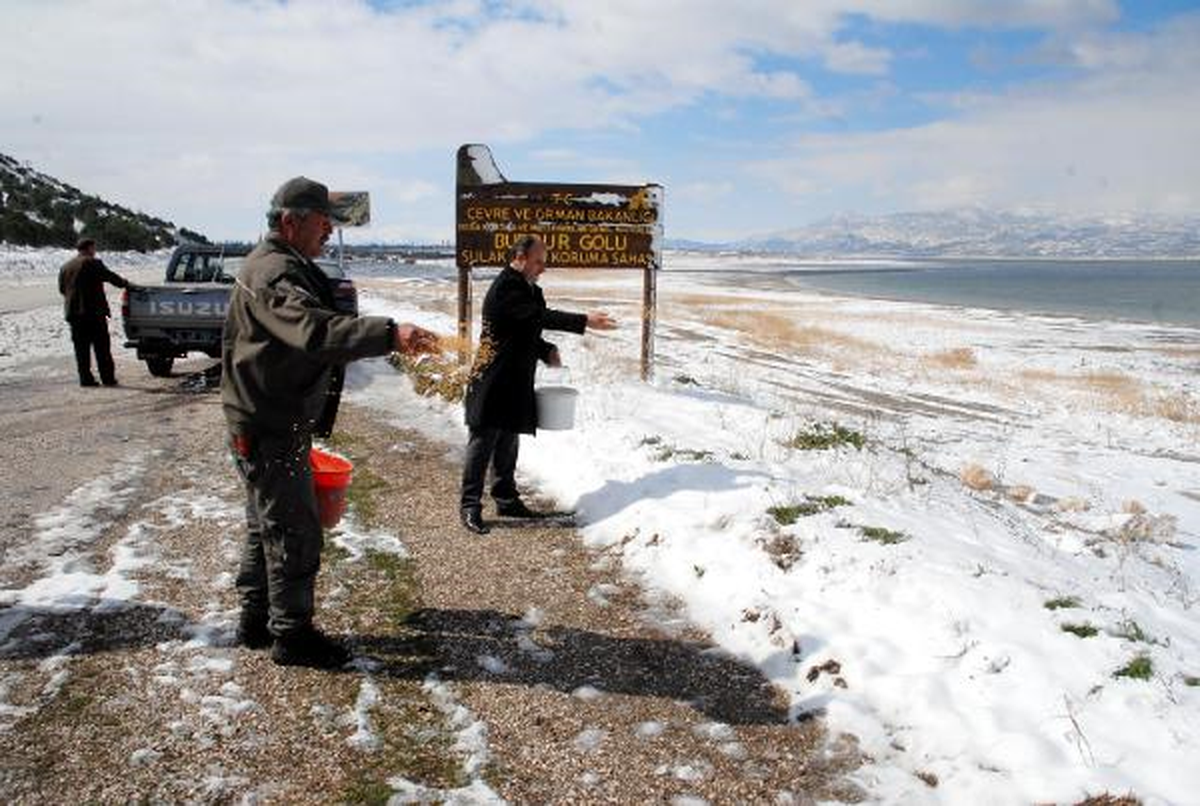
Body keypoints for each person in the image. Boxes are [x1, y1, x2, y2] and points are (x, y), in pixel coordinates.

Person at [222, 176, 439, 669]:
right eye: (321, 224)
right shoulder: (276, 273)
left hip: (261, 418)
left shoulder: (276, 263)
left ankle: (257, 620)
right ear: (289, 222)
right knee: (294, 531)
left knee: (265, 525)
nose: (327, 233)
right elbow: (315, 331)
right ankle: (292, 636)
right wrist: (391, 333)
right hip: (269, 423)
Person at [460, 234, 616, 535]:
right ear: (519, 258)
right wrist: (584, 320)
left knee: (508, 440)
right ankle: (470, 507)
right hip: (492, 378)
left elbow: (526, 328)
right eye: (538, 261)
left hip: (515, 378)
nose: (543, 268)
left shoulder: (531, 289)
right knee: (483, 442)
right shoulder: (506, 287)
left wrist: (546, 350)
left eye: (544, 262)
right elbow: (538, 317)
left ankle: (506, 499)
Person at [57, 238, 131, 387]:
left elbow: (62, 289)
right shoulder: (93, 263)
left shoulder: (66, 267)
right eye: (93, 248)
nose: (94, 250)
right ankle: (107, 378)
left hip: (74, 313)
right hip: (93, 313)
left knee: (81, 349)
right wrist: (126, 283)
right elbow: (110, 277)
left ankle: (85, 379)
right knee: (102, 348)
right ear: (90, 248)